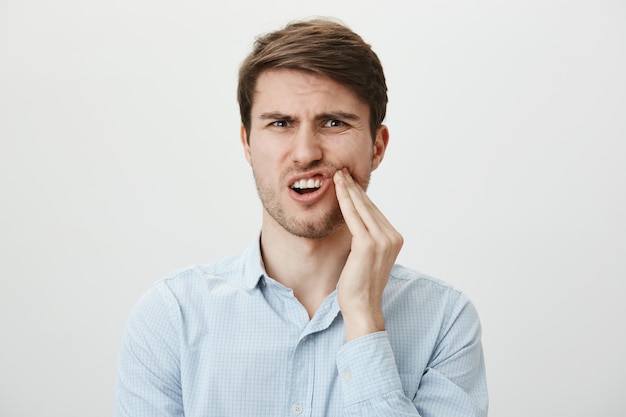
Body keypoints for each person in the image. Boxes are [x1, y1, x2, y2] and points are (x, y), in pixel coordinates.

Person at [113, 17, 488, 417]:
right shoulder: (172, 315)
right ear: (247, 143)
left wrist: (362, 316)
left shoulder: (445, 321)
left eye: (333, 123)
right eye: (280, 123)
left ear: (377, 147)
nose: (305, 152)